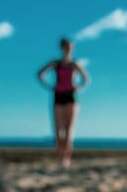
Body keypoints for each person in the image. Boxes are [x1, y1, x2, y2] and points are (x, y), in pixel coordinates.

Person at [37, 38, 90, 166]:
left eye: (71, 47)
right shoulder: (56, 64)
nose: (69, 49)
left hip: (71, 96)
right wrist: (50, 86)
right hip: (58, 96)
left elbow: (86, 79)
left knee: (69, 129)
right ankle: (61, 157)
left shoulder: (74, 64)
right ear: (62, 48)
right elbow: (40, 74)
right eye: (67, 47)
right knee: (58, 130)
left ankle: (66, 158)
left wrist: (78, 87)